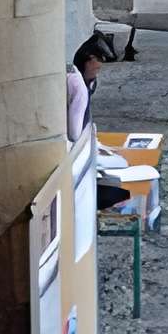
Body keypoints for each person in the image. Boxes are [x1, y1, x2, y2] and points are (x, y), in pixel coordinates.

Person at [68, 33, 131, 208]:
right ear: (88, 60)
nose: (99, 69)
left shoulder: (88, 82)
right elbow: (74, 131)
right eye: (97, 65)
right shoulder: (78, 85)